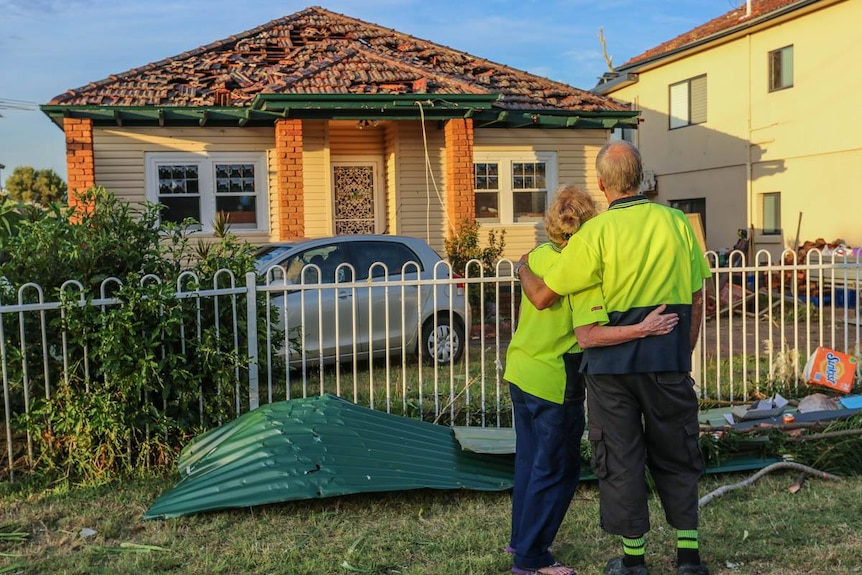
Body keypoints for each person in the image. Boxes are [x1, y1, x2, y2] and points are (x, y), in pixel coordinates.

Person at [517, 141, 711, 575]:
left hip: (611, 372)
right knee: (678, 453)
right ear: (641, 178)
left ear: (602, 185)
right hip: (668, 361)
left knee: (620, 458)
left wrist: (525, 267)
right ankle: (688, 558)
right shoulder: (678, 223)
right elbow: (699, 295)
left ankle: (634, 560)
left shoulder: (594, 235)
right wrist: (684, 350)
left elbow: (546, 295)